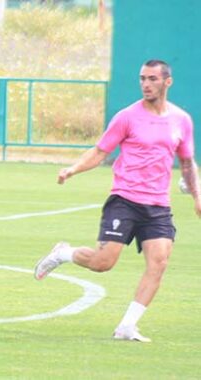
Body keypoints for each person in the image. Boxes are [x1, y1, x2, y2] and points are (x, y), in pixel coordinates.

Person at [34, 59, 200, 342]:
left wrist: (197, 196)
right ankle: (62, 253)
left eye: (152, 79)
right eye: (142, 79)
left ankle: (126, 326)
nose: (146, 84)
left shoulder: (181, 120)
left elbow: (186, 162)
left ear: (167, 82)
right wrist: (72, 169)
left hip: (158, 205)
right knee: (103, 263)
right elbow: (100, 151)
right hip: (125, 200)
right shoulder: (127, 116)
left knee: (158, 263)